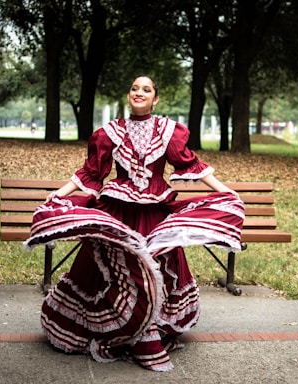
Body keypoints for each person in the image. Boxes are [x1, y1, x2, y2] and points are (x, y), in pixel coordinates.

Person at [24, 76, 245, 371]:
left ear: (155, 99)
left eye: (146, 89)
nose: (139, 93)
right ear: (128, 96)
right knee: (108, 270)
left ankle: (150, 329)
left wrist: (224, 191)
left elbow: (190, 164)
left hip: (154, 212)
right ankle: (117, 329)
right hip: (118, 211)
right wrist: (60, 194)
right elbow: (92, 172)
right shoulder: (110, 133)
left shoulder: (168, 131)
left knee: (157, 268)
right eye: (134, 89)